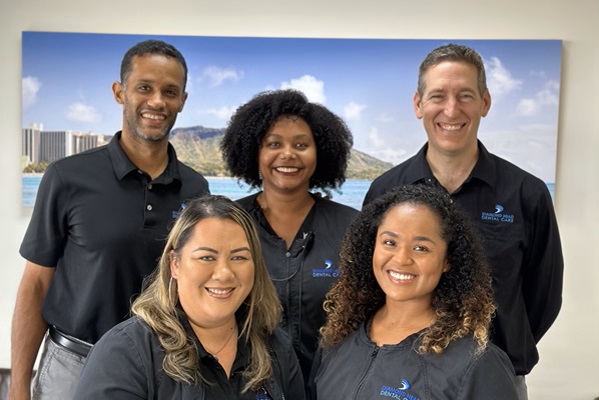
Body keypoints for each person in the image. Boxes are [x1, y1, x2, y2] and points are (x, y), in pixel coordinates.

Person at [9, 39, 210, 400]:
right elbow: (36, 284)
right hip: (73, 366)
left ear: (182, 100)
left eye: (169, 92)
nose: (157, 102)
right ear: (120, 93)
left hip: (163, 367)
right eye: (144, 88)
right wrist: (19, 387)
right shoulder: (66, 177)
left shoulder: (197, 188)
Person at [363, 43, 563, 398]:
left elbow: (543, 297)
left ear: (484, 102)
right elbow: (369, 286)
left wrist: (498, 354)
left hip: (496, 381)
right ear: (418, 104)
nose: (451, 110)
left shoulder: (527, 194)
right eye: (438, 96)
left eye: (465, 95)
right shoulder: (385, 190)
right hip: (398, 379)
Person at [73, 195, 305, 399]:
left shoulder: (276, 347)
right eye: (206, 257)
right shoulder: (124, 352)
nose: (224, 273)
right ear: (175, 264)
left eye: (239, 258)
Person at [311, 184, 519, 400]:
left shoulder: (477, 363)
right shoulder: (337, 339)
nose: (401, 259)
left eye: (421, 248)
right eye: (390, 242)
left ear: (447, 260)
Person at [221, 89, 358, 380]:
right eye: (274, 143)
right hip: (245, 386)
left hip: (333, 385)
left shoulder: (352, 227)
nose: (287, 154)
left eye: (301, 144)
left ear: (320, 153)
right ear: (254, 152)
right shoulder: (228, 223)